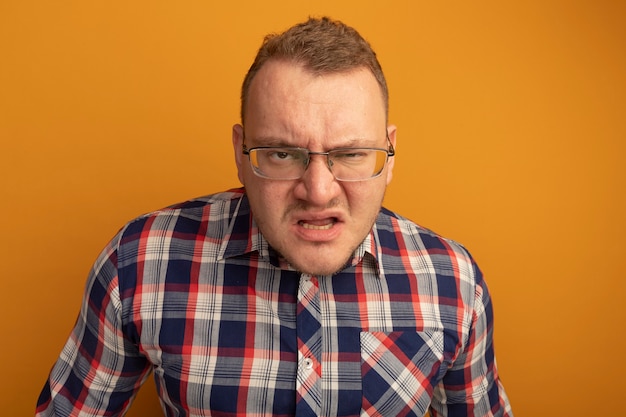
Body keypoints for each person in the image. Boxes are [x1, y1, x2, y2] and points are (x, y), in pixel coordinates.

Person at [36, 16, 513, 417]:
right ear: (241, 154)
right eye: (282, 154)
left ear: (390, 155)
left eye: (350, 154)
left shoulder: (453, 282)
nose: (319, 191)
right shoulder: (139, 263)